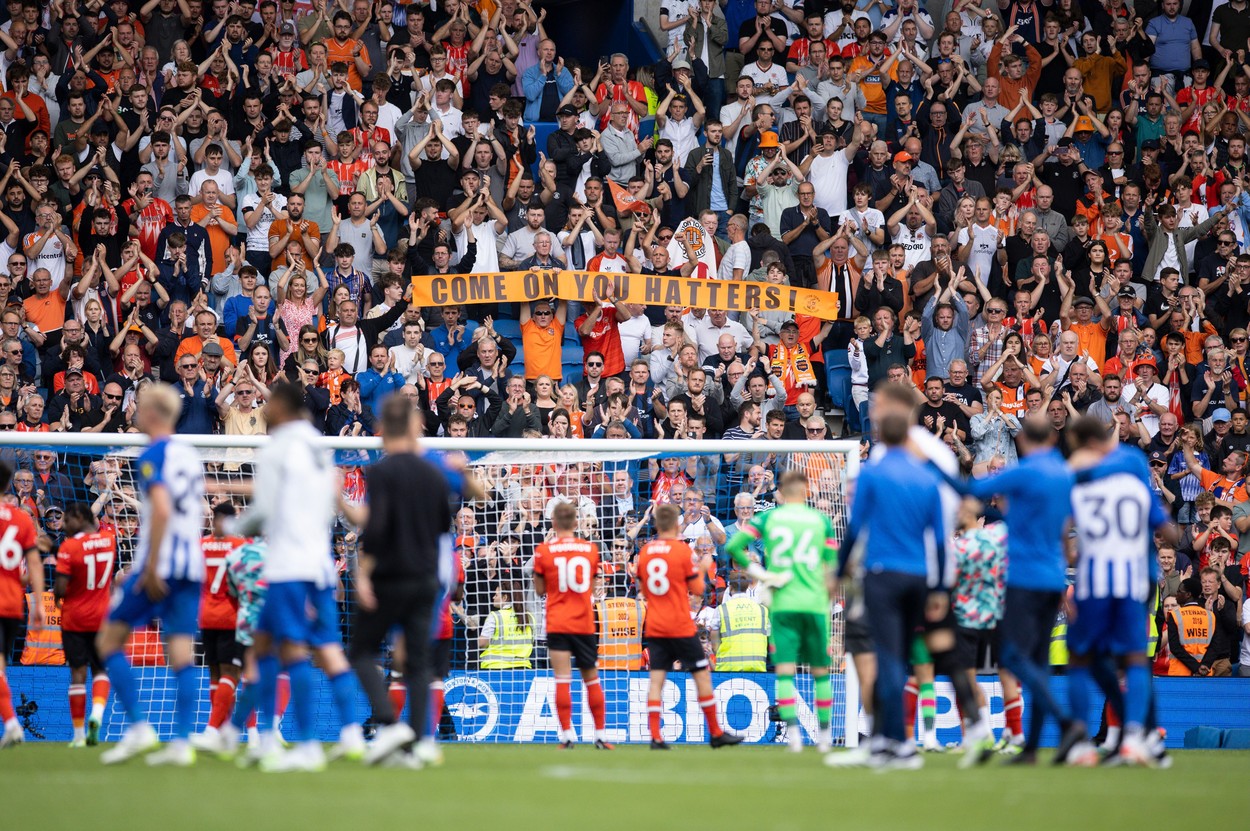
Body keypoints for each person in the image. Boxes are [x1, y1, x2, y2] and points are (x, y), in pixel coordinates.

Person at [826, 382, 988, 769]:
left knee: (897, 657)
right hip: (924, 574)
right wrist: (935, 583)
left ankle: (897, 743)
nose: (875, 412)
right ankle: (903, 738)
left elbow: (856, 527)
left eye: (880, 406)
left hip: (887, 574)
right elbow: (938, 527)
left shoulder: (881, 468)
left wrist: (838, 571)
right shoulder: (924, 473)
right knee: (940, 650)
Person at [232, 381, 364, 771]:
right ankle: (347, 732)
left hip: (288, 565)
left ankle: (296, 742)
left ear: (282, 408)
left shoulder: (277, 449)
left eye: (267, 404)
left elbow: (264, 510)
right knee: (310, 647)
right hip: (319, 565)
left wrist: (234, 526)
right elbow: (328, 507)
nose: (263, 409)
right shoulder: (318, 447)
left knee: (284, 651)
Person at [338, 396, 459, 767]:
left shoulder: (384, 473)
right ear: (414, 424)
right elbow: (443, 527)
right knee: (419, 661)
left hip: (392, 575)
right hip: (426, 578)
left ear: (383, 429)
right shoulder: (435, 472)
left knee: (360, 652)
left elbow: (375, 527)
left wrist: (366, 574)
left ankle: (390, 725)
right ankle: (422, 742)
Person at [955, 417, 1078, 765]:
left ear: (1022, 440)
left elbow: (973, 490)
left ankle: (1066, 722)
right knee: (1036, 662)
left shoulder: (1025, 471)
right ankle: (1033, 748)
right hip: (1054, 575)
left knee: (1010, 657)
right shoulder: (1062, 472)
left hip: (1025, 577)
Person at [96, 384, 205, 766]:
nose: (134, 413)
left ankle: (140, 728)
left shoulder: (153, 454)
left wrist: (153, 565)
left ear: (152, 413)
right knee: (181, 653)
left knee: (109, 640)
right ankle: (182, 743)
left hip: (161, 564)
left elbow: (160, 510)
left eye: (138, 407)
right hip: (191, 564)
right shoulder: (190, 455)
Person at [1064, 415, 1175, 767]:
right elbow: (1172, 534)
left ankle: (1081, 742)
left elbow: (1061, 531)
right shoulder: (1135, 485)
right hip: (1131, 583)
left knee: (1080, 659)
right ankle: (1133, 739)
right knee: (1134, 660)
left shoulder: (1078, 485)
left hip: (1094, 584)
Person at [726, 470, 837, 753]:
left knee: (785, 672)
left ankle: (795, 738)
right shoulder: (821, 521)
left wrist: (760, 574)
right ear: (807, 491)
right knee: (821, 672)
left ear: (781, 493)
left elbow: (733, 545)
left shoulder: (769, 518)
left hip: (783, 604)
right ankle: (824, 738)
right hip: (814, 604)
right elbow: (832, 567)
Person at [639, 503, 742, 750]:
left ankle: (655, 736)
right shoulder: (682, 552)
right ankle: (716, 733)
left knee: (657, 681)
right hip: (680, 626)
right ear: (676, 524)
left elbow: (643, 590)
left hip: (655, 626)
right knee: (701, 675)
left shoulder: (645, 552)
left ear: (656, 524)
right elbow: (697, 590)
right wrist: (704, 568)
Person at [533, 501, 613, 750]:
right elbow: (588, 582)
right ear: (576, 522)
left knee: (562, 680)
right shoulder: (590, 549)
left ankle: (567, 735)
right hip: (583, 622)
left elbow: (539, 590)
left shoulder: (543, 551)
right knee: (591, 679)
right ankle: (600, 735)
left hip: (557, 622)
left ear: (554, 523)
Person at [54, 502, 117, 749]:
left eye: (67, 520)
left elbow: (59, 588)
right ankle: (97, 716)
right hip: (102, 618)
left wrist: (62, 594)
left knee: (78, 674)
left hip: (75, 619)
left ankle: (79, 735)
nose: (64, 525)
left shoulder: (69, 546)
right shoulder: (110, 540)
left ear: (79, 518)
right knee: (101, 671)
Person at [189, 503, 247, 750]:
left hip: (205, 615)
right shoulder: (239, 546)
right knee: (231, 675)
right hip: (230, 617)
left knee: (214, 675)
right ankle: (216, 729)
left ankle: (221, 732)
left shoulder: (200, 545)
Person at [0, 460, 43, 748]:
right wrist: (38, 601)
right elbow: (34, 562)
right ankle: (11, 724)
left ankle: (13, 724)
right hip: (13, 603)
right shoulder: (22, 519)